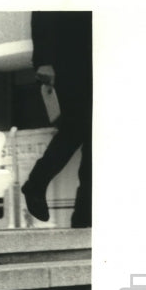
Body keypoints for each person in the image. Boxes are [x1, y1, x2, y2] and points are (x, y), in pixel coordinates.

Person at [21, 11, 92, 228]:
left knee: (93, 140)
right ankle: (38, 184)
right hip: (72, 60)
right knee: (77, 127)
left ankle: (84, 215)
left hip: (95, 59)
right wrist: (44, 60)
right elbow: (44, 9)